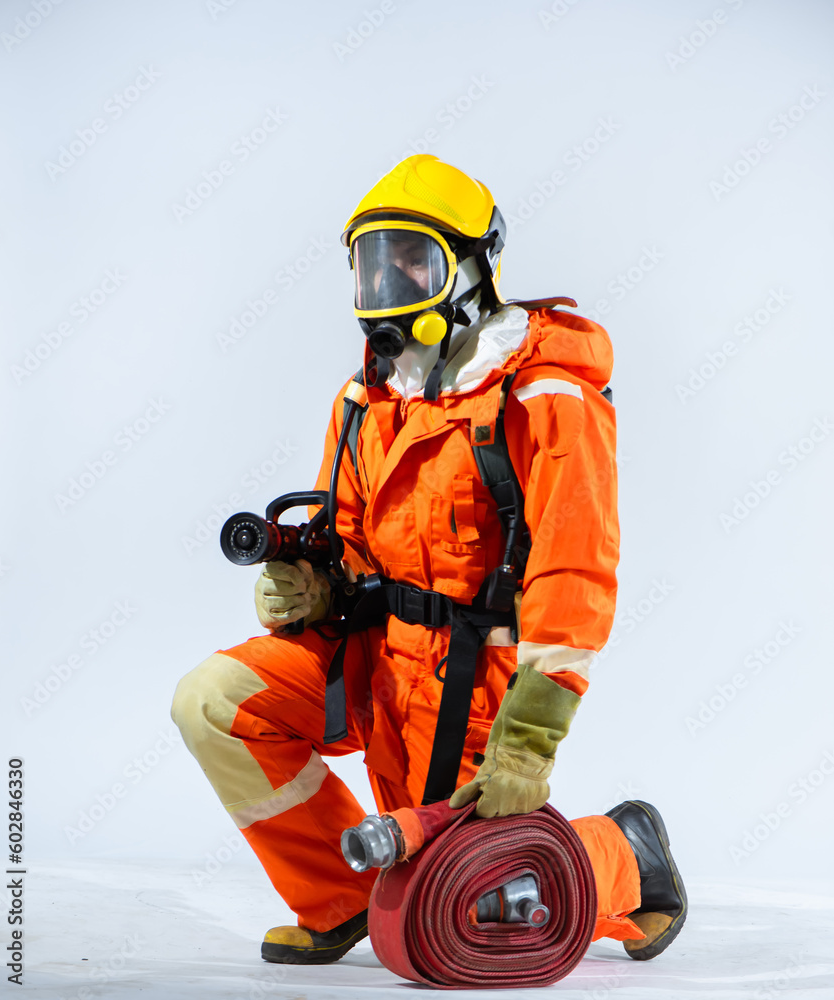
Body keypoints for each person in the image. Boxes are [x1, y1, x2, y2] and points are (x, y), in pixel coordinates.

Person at [171, 154, 687, 966]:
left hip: (475, 679)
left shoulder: (546, 398)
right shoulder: (366, 399)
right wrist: (308, 589)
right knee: (214, 701)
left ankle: (627, 855)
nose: (390, 285)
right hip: (377, 661)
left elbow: (573, 575)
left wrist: (528, 741)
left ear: (475, 267)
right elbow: (347, 538)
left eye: (414, 261)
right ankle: (342, 897)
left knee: (460, 914)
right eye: (373, 267)